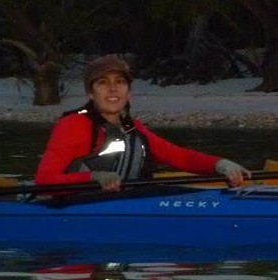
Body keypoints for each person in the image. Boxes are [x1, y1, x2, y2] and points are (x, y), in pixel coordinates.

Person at [35, 54, 251, 191]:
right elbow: (44, 181)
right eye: (103, 83)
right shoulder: (75, 125)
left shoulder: (132, 128)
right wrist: (93, 177)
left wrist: (221, 165)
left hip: (126, 203)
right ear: (91, 93)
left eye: (120, 82)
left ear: (128, 92)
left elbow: (178, 156)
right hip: (78, 208)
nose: (113, 89)